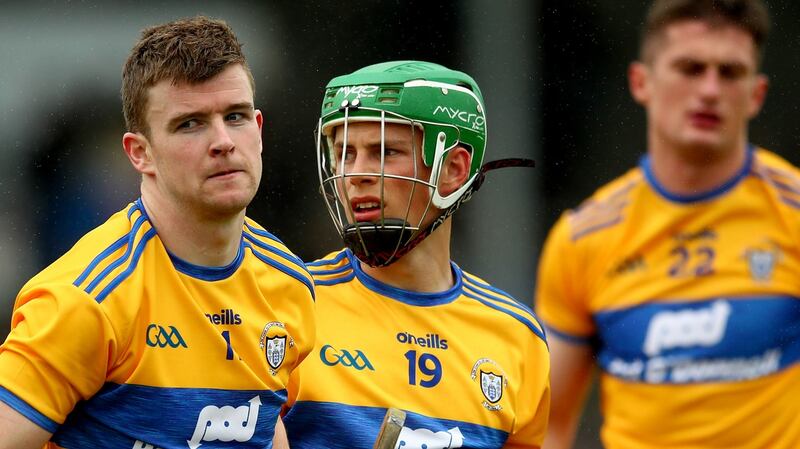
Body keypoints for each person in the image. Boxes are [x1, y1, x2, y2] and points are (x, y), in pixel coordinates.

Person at [0, 16, 315, 449]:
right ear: (140, 153)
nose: (223, 141)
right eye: (191, 123)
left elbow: (266, 424)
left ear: (258, 132)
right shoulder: (89, 299)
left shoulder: (290, 283)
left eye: (236, 116)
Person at [536, 1, 800, 448]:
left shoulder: (792, 212)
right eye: (690, 68)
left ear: (756, 95)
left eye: (730, 72)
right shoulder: (583, 237)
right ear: (641, 82)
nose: (710, 90)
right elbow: (549, 425)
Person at [281, 60, 550, 449]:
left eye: (385, 151)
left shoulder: (518, 337)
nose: (355, 174)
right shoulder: (290, 303)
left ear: (454, 169)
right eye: (344, 153)